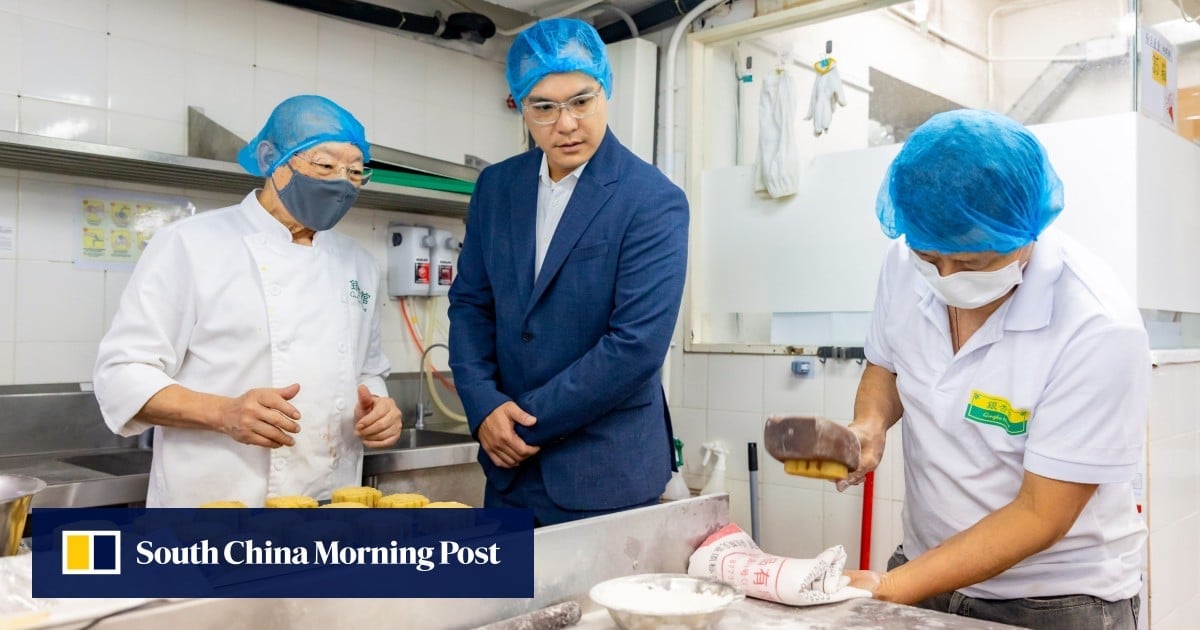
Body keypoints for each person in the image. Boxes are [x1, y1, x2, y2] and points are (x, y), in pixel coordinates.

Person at [839, 109, 1148, 629]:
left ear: (1025, 231)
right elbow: (885, 366)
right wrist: (868, 426)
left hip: (1054, 597)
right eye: (929, 257)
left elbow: (1040, 514)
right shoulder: (905, 259)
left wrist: (889, 587)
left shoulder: (1096, 325)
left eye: (972, 263)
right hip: (923, 565)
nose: (945, 276)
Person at [94, 95, 403, 507]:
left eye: (354, 171)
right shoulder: (191, 244)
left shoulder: (359, 263)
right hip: (213, 504)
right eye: (324, 166)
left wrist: (379, 407)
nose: (340, 183)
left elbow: (366, 371)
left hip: (327, 504)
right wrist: (224, 413)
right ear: (271, 160)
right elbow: (121, 374)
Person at [448, 18, 689, 527]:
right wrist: (484, 406)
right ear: (521, 107)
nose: (566, 124)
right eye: (544, 107)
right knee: (512, 608)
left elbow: (636, 345)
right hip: (508, 477)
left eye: (581, 101)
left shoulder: (651, 200)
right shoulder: (496, 188)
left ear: (605, 92)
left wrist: (520, 424)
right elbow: (471, 304)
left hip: (604, 475)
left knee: (598, 610)